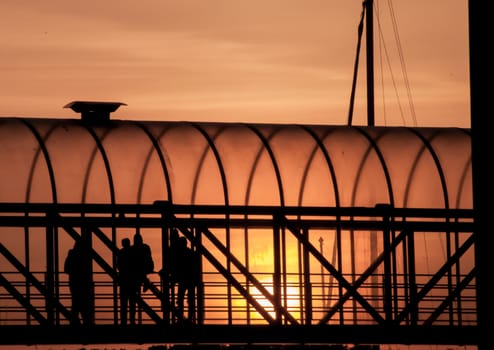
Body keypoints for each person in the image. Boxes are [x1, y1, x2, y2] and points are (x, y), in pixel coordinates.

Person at [64, 235, 94, 325]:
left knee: (76, 303)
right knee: (84, 303)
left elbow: (66, 269)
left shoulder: (72, 254)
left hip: (75, 282)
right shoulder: (85, 255)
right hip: (83, 283)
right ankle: (85, 322)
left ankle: (75, 321)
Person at [127, 232, 154, 324]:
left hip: (134, 274)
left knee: (133, 298)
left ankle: (132, 318)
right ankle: (146, 281)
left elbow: (130, 262)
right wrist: (150, 268)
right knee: (134, 297)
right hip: (142, 270)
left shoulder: (132, 249)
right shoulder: (145, 247)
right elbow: (149, 258)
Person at [173, 236, 200, 323]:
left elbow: (177, 267)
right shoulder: (191, 253)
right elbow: (195, 268)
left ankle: (181, 318)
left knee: (181, 300)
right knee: (190, 301)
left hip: (183, 280)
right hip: (190, 280)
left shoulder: (179, 255)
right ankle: (190, 319)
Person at [116, 237, 132, 325]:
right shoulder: (133, 252)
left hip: (123, 280)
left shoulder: (121, 252)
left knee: (123, 302)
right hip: (131, 281)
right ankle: (132, 320)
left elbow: (118, 265)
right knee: (132, 302)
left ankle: (123, 321)